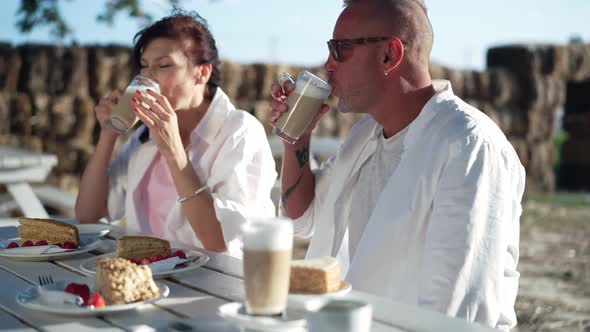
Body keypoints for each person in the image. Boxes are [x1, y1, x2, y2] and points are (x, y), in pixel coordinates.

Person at [270, 0, 525, 330]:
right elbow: (301, 216)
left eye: (339, 49)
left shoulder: (468, 145)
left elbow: (459, 310)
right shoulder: (366, 135)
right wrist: (298, 137)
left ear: (389, 55)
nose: (328, 64)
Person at [76, 11, 277, 258]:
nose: (148, 78)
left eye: (163, 65)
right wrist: (108, 135)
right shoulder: (145, 137)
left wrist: (175, 154)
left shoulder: (239, 131)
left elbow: (219, 240)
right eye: (144, 67)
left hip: (211, 284)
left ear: (202, 73)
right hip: (146, 277)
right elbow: (89, 216)